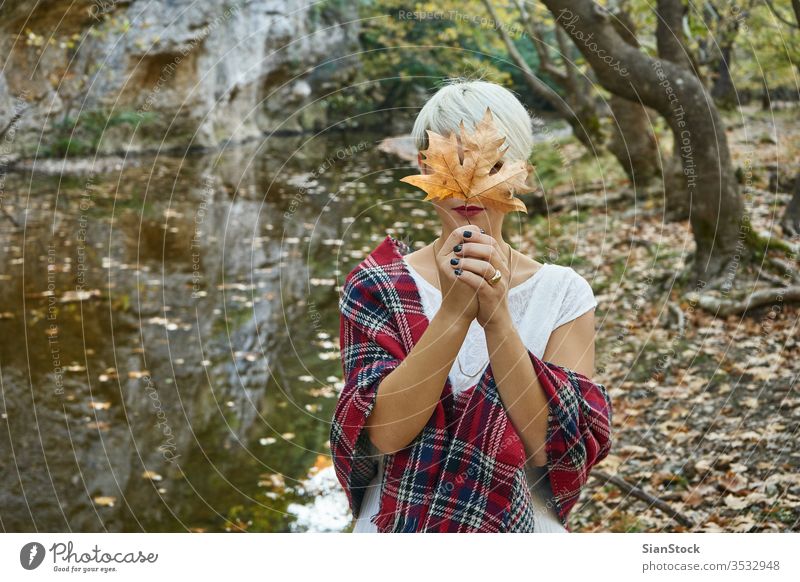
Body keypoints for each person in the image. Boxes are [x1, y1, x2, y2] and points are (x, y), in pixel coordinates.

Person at [330, 78, 612, 533]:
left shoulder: (563, 293)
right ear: (423, 166)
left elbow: (551, 447)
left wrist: (497, 319)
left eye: (492, 164)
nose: (468, 188)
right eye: (450, 165)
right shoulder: (376, 285)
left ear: (520, 172)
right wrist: (455, 311)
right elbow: (384, 434)